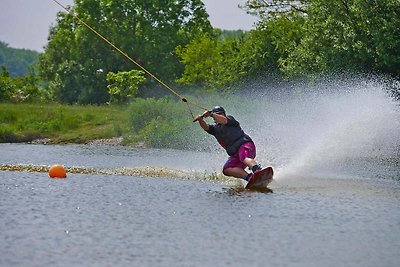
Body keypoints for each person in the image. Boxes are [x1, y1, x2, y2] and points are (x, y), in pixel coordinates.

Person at [194, 106, 262, 181]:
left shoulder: (230, 120)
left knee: (244, 157)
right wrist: (200, 120)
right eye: (217, 114)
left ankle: (257, 170)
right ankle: (250, 178)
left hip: (246, 146)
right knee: (227, 169)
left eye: (220, 114)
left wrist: (211, 114)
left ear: (224, 114)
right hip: (235, 155)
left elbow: (223, 120)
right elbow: (206, 127)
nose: (218, 116)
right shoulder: (215, 129)